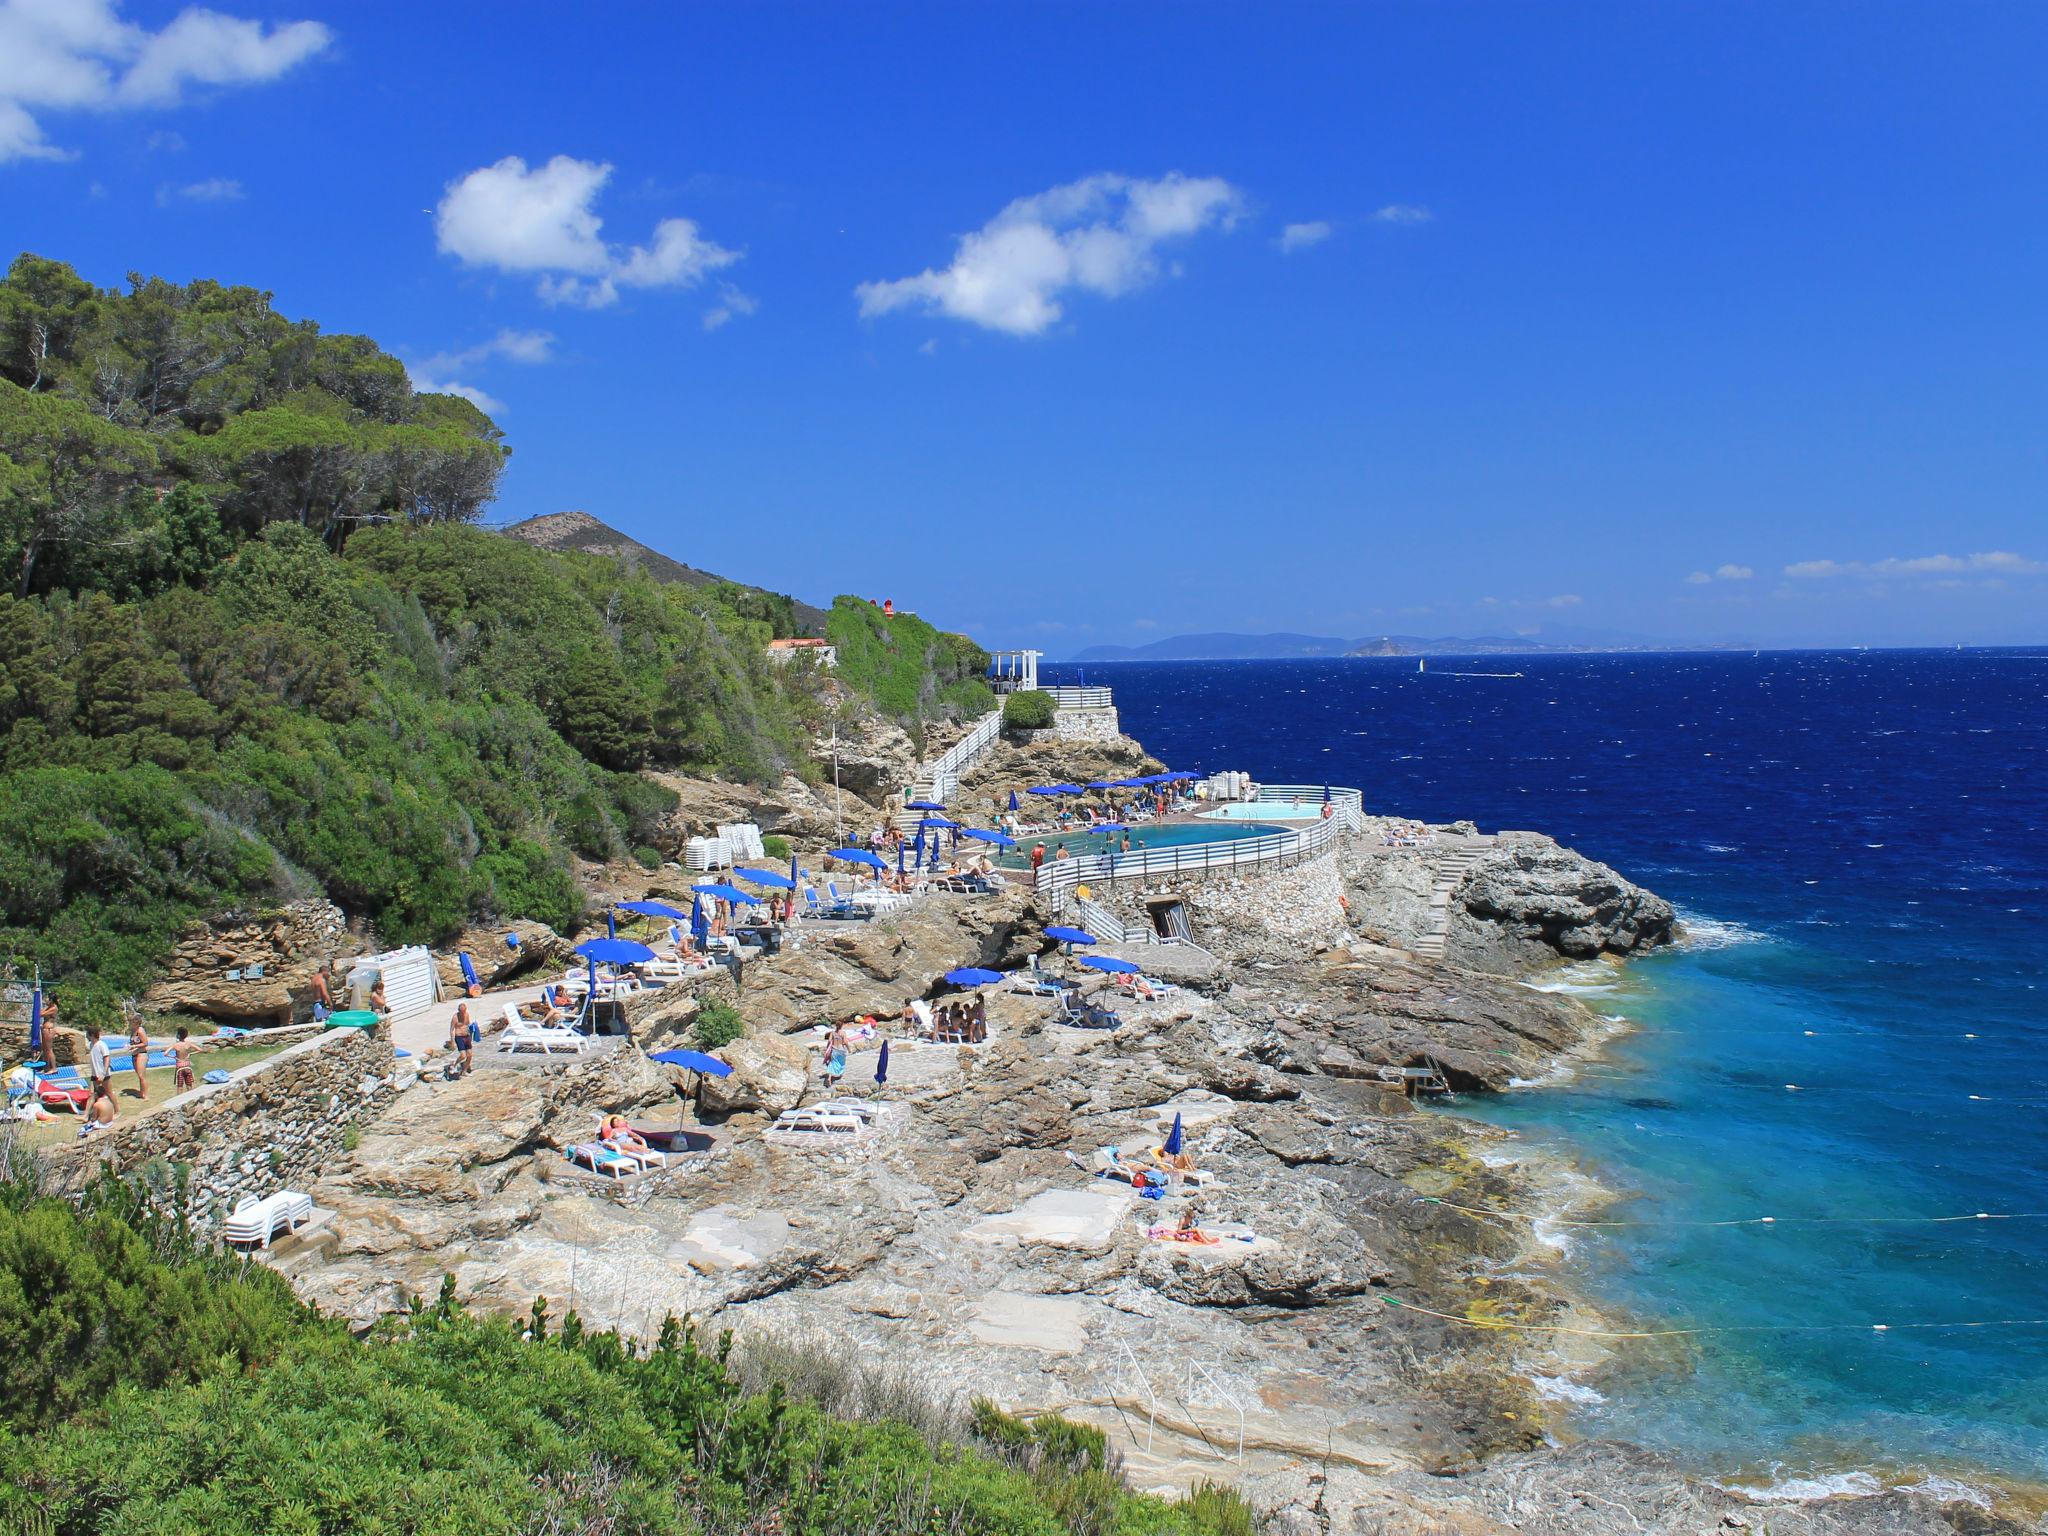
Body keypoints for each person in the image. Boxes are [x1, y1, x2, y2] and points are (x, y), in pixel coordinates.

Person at [126, 1010, 149, 1100]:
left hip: (141, 1054)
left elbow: (145, 1043)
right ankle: (141, 1092)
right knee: (139, 1075)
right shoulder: (133, 1031)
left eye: (131, 1022)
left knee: (141, 1075)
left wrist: (135, 1046)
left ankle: (145, 1095)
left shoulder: (140, 1030)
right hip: (134, 1054)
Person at [449, 1001, 475, 1077]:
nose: (463, 1013)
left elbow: (467, 1024)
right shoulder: (455, 1017)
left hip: (466, 1036)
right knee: (463, 1055)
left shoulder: (467, 1015)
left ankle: (464, 1071)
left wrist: (473, 1028)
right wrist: (452, 1041)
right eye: (462, 1012)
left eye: (464, 1011)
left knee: (470, 1055)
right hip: (459, 1036)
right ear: (459, 1011)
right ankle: (454, 1064)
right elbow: (451, 1030)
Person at [86, 1025, 111, 1103]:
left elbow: (107, 1059)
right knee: (92, 1094)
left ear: (92, 1035)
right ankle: (88, 1113)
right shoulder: (91, 1045)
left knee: (108, 1093)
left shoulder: (101, 1045)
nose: (86, 1035)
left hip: (103, 1074)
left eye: (87, 1034)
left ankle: (117, 1110)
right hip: (94, 1074)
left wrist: (103, 1073)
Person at [171, 1027, 196, 1094]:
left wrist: (174, 1057)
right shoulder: (188, 1044)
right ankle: (191, 1098)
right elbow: (200, 1049)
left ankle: (179, 1100)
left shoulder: (176, 1045)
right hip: (187, 1066)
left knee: (180, 1086)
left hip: (180, 1067)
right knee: (189, 1085)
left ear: (178, 1035)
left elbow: (165, 1053)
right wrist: (190, 1054)